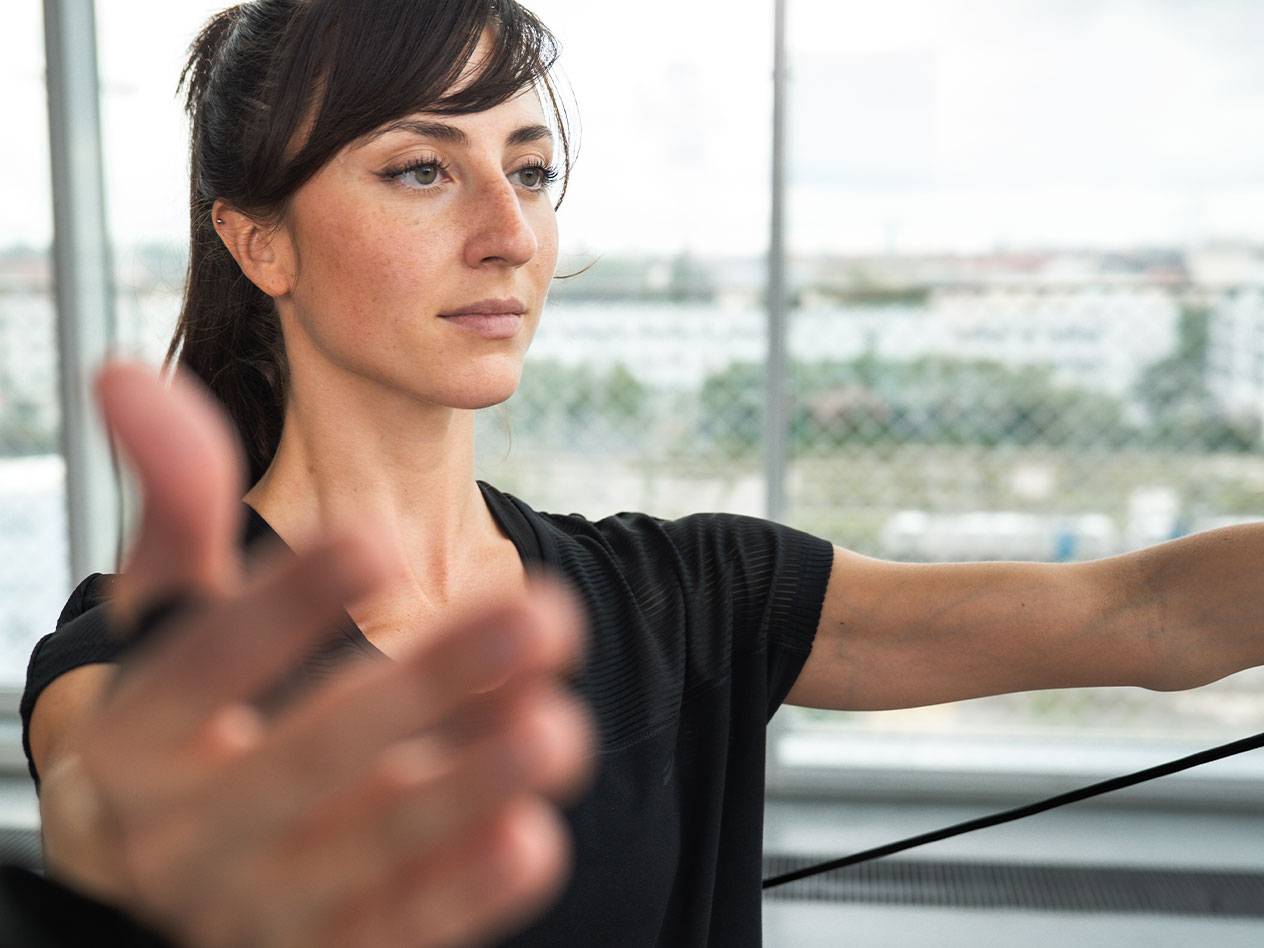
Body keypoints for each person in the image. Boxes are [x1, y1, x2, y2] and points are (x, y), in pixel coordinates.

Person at [21, 0, 1264, 944]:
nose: (508, 234)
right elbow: (105, 794)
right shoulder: (154, 654)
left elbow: (1142, 612)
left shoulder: (689, 597)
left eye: (529, 169)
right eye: (420, 167)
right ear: (259, 242)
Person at [8, 362, 592, 948]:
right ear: (265, 261)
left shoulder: (672, 576)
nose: (511, 261)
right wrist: (110, 881)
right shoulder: (147, 644)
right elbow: (91, 782)